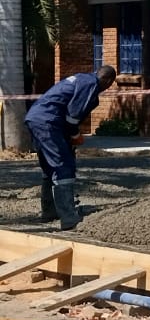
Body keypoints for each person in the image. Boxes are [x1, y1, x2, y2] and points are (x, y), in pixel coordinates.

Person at [24, 65, 117, 229]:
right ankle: (68, 218)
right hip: (49, 122)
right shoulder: (91, 85)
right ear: (109, 81)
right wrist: (75, 136)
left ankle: (50, 211)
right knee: (63, 166)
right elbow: (72, 116)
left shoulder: (82, 78)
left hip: (36, 118)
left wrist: (68, 138)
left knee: (49, 167)